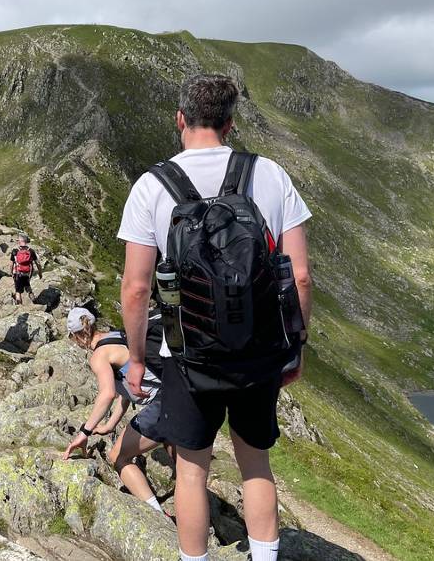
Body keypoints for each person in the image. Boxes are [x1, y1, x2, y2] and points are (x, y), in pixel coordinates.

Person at [117, 74, 313, 561]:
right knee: (255, 465)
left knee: (191, 469)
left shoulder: (152, 186)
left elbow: (137, 287)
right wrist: (294, 348)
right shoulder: (269, 175)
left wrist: (138, 359)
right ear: (230, 123)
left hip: (187, 357)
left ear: (180, 119)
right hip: (259, 352)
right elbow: (301, 277)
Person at [61, 307, 173, 514]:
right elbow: (126, 389)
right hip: (176, 394)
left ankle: (157, 516)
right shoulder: (117, 334)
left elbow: (107, 394)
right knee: (182, 463)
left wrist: (84, 432)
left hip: (162, 404)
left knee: (118, 457)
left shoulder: (98, 356)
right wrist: (110, 425)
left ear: (76, 336)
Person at [10, 233, 42, 304]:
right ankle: (35, 302)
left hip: (18, 273)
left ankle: (19, 307)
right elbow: (38, 263)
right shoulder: (31, 251)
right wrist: (40, 272)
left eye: (18, 239)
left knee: (18, 291)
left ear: (20, 241)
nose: (17, 241)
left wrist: (11, 272)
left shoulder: (15, 251)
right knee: (28, 288)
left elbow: (11, 264)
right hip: (27, 273)